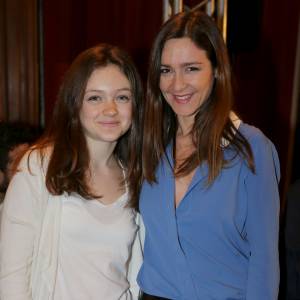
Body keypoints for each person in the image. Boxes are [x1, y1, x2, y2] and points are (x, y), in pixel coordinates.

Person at [138, 9, 280, 300]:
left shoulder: (253, 150)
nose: (177, 84)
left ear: (216, 70)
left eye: (191, 68)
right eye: (166, 70)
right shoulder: (150, 145)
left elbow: (264, 262)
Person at [0, 43, 144, 299]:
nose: (110, 109)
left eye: (122, 97)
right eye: (95, 97)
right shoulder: (39, 168)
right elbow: (11, 275)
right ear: (74, 103)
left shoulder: (134, 175)